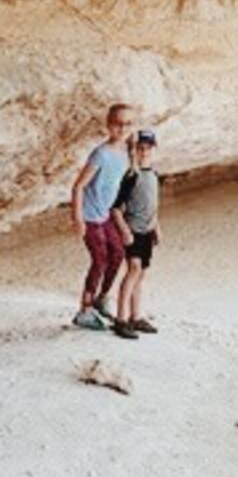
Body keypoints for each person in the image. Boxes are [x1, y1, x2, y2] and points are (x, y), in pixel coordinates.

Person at [68, 103, 132, 330]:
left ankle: (101, 298)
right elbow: (78, 187)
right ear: (108, 125)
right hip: (90, 216)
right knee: (100, 259)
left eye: (127, 124)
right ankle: (84, 310)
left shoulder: (126, 152)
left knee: (118, 253)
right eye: (117, 123)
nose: (122, 128)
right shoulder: (101, 154)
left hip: (105, 215)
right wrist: (78, 219)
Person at [110, 127, 161, 340]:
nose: (144, 152)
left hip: (147, 230)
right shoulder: (131, 176)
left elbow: (154, 204)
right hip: (133, 231)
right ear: (134, 151)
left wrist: (157, 227)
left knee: (141, 274)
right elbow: (115, 208)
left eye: (148, 148)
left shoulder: (154, 175)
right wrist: (124, 230)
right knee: (133, 269)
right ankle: (121, 319)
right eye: (140, 148)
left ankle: (135, 316)